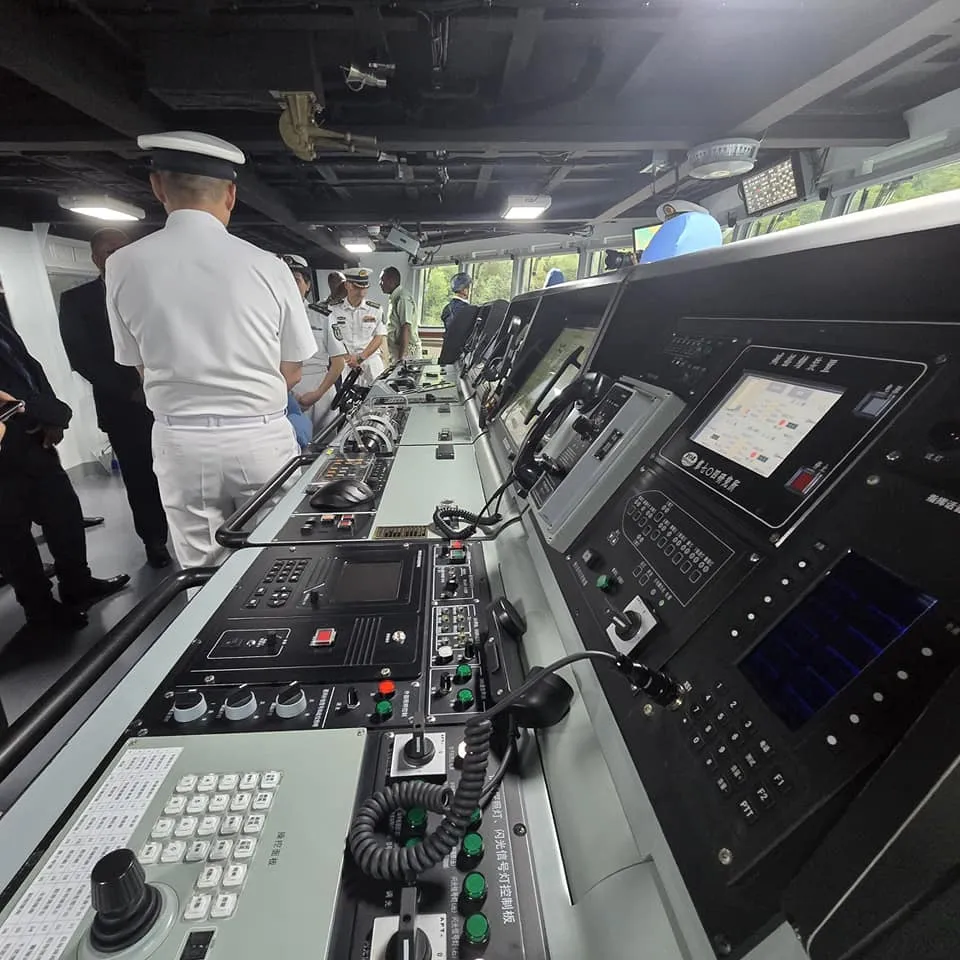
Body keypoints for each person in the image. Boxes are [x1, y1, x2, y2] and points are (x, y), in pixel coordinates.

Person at [105, 131, 317, 568]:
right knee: (279, 562)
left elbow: (137, 364)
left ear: (158, 187)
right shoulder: (269, 266)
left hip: (180, 441)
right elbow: (293, 368)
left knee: (201, 569)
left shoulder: (122, 265)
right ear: (231, 194)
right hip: (260, 438)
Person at [0, 317, 129, 629]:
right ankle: (40, 610)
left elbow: (29, 371)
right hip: (4, 453)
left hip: (33, 438)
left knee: (64, 515)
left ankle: (78, 584)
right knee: (13, 535)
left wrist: (52, 417)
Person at [59, 229, 171, 568]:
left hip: (172, 401)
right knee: (140, 477)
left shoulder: (157, 290)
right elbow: (82, 357)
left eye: (124, 249)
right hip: (125, 407)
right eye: (110, 252)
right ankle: (154, 540)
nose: (119, 255)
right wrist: (134, 389)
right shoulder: (77, 301)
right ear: (96, 258)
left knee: (183, 473)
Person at [282, 254, 347, 435]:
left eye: (296, 280)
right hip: (285, 394)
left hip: (320, 392)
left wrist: (317, 394)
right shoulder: (269, 317)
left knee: (324, 446)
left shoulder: (322, 316)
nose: (289, 285)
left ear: (308, 285)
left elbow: (338, 363)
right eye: (284, 279)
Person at [330, 267, 386, 386]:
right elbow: (332, 338)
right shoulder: (334, 309)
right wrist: (348, 358)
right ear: (347, 285)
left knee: (377, 393)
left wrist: (360, 358)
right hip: (346, 363)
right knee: (346, 395)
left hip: (370, 361)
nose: (362, 291)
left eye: (365, 287)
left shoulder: (375, 309)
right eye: (357, 287)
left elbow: (379, 337)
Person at [380, 266, 421, 363]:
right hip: (397, 349)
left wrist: (402, 358)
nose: (380, 283)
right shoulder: (395, 297)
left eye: (382, 280)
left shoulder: (402, 298)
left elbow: (406, 327)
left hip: (406, 351)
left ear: (391, 281)